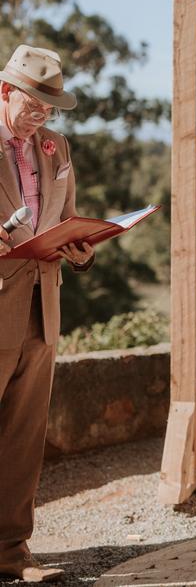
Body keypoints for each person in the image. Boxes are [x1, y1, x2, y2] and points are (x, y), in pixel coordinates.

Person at [0, 45, 95, 583]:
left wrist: (82, 245)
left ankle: (12, 553)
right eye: (33, 102)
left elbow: (68, 215)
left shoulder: (57, 147)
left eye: (49, 105)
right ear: (5, 91)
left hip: (43, 307)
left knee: (22, 436)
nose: (41, 114)